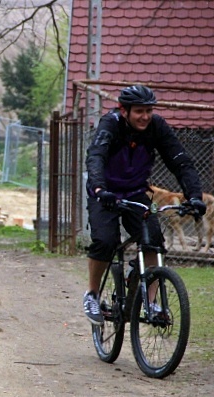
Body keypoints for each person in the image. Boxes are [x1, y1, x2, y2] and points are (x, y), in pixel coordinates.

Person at [83, 84, 206, 325]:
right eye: (139, 111)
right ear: (124, 110)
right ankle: (92, 295)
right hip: (105, 193)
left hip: (136, 192)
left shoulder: (156, 126)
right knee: (105, 241)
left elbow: (181, 162)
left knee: (154, 241)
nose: (145, 117)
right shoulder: (111, 124)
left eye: (149, 111)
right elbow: (96, 155)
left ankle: (150, 302)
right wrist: (99, 188)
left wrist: (194, 197)